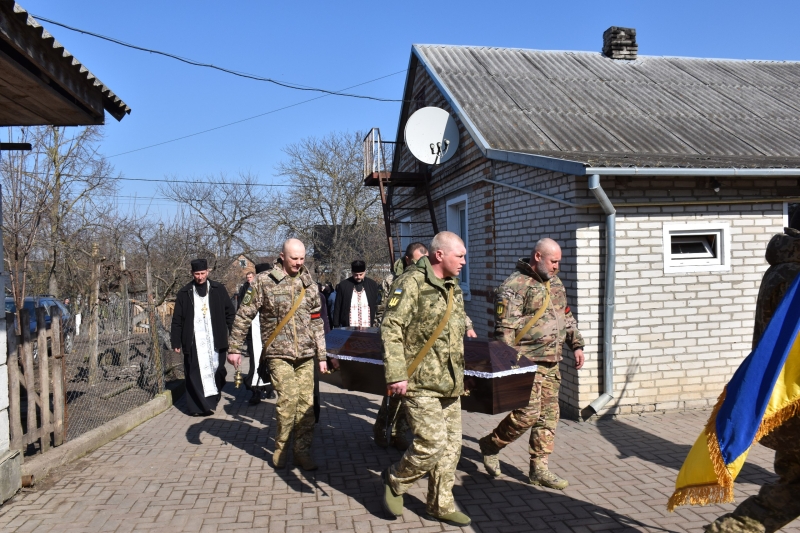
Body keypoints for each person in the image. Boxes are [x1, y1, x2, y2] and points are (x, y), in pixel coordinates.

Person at [705, 226, 800, 533]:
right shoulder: (793, 277)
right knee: (791, 489)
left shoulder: (781, 269)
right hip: (794, 399)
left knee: (793, 487)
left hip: (787, 402)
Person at [380, 231, 472, 527]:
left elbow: (455, 327)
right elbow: (391, 326)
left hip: (450, 381)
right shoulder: (410, 283)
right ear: (439, 255)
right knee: (431, 443)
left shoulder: (453, 286)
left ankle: (439, 504)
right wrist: (396, 374)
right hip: (419, 381)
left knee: (451, 448)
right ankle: (396, 479)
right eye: (460, 256)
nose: (464, 262)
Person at [478, 238, 585, 490]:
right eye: (553, 261)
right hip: (526, 363)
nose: (558, 266)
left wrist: (576, 344)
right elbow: (504, 330)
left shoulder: (555, 283)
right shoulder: (514, 286)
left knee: (548, 417)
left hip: (552, 362)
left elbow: (565, 316)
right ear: (538, 257)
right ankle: (491, 444)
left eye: (559, 261)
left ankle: (539, 469)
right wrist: (507, 367)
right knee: (527, 414)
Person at [227, 239, 332, 471]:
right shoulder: (264, 282)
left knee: (307, 406)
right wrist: (234, 348)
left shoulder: (309, 284)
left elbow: (318, 322)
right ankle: (282, 447)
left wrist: (322, 356)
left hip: (305, 354)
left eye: (302, 258)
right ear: (282, 256)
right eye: (294, 258)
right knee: (288, 401)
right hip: (278, 353)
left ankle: (302, 451)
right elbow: (243, 315)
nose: (299, 263)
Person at [170, 259, 236, 416]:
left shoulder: (218, 289)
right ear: (192, 273)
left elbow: (230, 313)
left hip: (216, 338)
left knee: (218, 370)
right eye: (197, 274)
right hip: (193, 341)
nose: (200, 277)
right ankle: (198, 407)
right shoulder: (185, 293)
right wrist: (176, 340)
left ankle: (213, 397)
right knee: (194, 374)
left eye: (202, 273)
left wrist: (234, 334)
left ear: (208, 271)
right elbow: (177, 319)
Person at [238, 265, 275, 405]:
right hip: (254, 331)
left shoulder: (274, 288)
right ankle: (256, 390)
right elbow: (243, 310)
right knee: (255, 361)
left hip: (271, 331)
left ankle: (270, 387)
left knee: (271, 361)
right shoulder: (249, 291)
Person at [331, 260, 380, 328]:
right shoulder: (343, 285)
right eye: (356, 275)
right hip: (349, 327)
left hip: (368, 327)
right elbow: (338, 306)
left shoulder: (372, 285)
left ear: (365, 272)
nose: (358, 277)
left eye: (361, 274)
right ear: (352, 272)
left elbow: (377, 305)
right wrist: (336, 324)